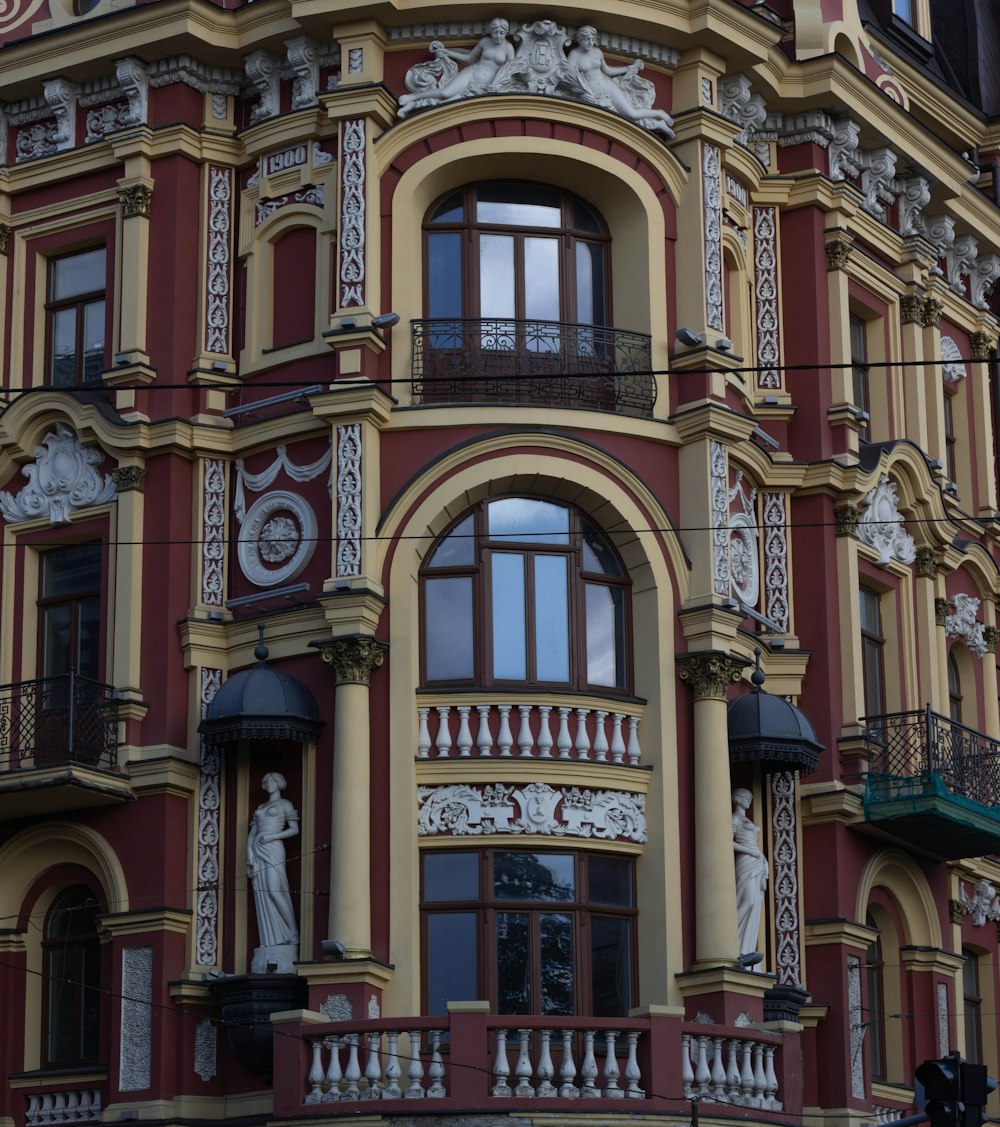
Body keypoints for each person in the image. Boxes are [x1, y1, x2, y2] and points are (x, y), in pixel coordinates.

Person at [567, 26, 675, 136]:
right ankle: (659, 124)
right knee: (626, 117)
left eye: (592, 39)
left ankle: (660, 113)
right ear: (580, 39)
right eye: (587, 39)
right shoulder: (573, 56)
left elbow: (607, 70)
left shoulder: (597, 52)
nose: (590, 42)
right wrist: (582, 95)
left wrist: (627, 68)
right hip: (595, 94)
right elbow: (570, 80)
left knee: (631, 113)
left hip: (607, 85)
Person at [399, 18, 514, 109]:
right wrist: (447, 52)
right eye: (495, 33)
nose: (498, 36)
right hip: (472, 72)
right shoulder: (485, 42)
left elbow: (510, 72)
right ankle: (413, 97)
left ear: (506, 32)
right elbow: (469, 58)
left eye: (501, 33)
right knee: (445, 93)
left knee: (447, 103)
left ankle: (416, 105)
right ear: (491, 32)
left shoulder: (508, 48)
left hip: (483, 86)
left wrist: (498, 86)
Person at [247, 772, 299, 948]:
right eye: (266, 781)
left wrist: (272, 837)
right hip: (258, 849)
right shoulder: (261, 806)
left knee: (274, 890)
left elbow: (294, 830)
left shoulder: (285, 804)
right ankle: (273, 938)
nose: (269, 784)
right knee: (262, 892)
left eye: (272, 781)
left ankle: (293, 932)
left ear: (279, 783)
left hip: (273, 848)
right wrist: (250, 857)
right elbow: (252, 834)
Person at [732, 787, 768, 964]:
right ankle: (730, 938)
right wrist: (751, 853)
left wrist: (761, 859)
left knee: (755, 902)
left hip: (756, 861)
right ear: (737, 799)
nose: (748, 801)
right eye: (746, 797)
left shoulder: (745, 819)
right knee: (747, 900)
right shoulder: (735, 818)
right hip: (745, 861)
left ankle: (745, 947)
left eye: (750, 798)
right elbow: (728, 842)